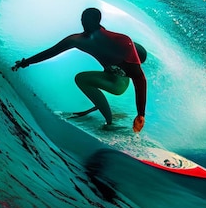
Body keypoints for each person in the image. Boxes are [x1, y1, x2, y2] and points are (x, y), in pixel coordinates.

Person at [12, 8, 147, 132]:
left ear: (97, 22)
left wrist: (141, 113)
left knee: (138, 51)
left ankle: (109, 123)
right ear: (81, 21)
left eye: (88, 21)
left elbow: (139, 79)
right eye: (83, 21)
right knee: (81, 78)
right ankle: (102, 111)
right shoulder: (77, 40)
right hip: (110, 75)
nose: (85, 24)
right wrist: (26, 62)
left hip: (120, 82)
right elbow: (51, 52)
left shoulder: (120, 40)